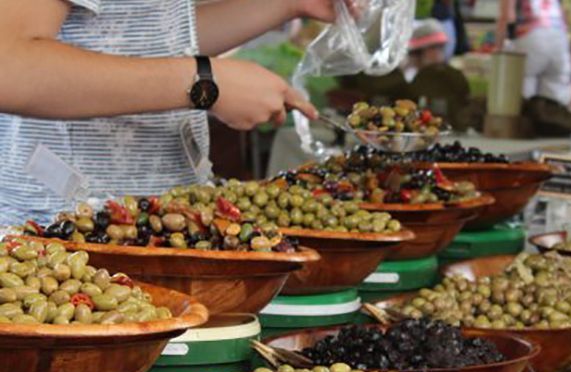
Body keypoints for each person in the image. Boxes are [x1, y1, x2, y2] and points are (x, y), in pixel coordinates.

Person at [0, 0, 342, 224]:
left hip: (153, 227)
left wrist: (286, 5)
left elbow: (142, 34)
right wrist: (203, 82)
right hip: (60, 235)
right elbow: (10, 67)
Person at [495, 0, 571, 105]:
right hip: (559, 37)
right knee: (554, 99)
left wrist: (499, 47)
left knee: (522, 94)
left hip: (529, 37)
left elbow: (507, 16)